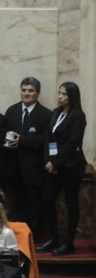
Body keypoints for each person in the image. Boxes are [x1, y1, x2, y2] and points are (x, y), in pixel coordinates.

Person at [39, 82, 87, 255]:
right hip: (53, 166)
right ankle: (54, 239)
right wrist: (49, 160)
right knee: (48, 200)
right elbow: (49, 138)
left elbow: (72, 143)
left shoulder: (78, 116)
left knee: (70, 204)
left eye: (64, 94)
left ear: (72, 96)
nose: (60, 96)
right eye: (59, 93)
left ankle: (68, 243)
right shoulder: (56, 112)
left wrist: (56, 163)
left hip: (71, 166)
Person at [2, 77, 52, 228]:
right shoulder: (11, 111)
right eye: (24, 90)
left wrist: (22, 140)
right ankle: (16, 236)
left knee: (34, 207)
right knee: (14, 207)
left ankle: (34, 236)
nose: (26, 93)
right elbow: (3, 134)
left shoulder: (46, 114)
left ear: (37, 93)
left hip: (34, 170)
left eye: (30, 90)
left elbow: (46, 140)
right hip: (12, 170)